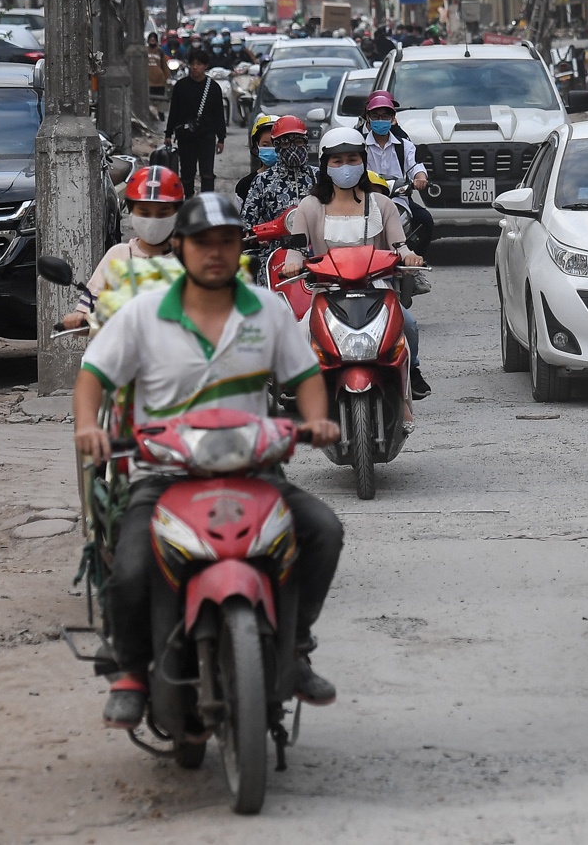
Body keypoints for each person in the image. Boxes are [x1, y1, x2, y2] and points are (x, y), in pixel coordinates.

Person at [74, 190, 344, 729]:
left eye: (226, 241)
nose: (215, 253)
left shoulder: (266, 310)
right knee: (129, 567)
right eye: (203, 242)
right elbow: (94, 377)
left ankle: (295, 644)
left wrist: (318, 420)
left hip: (255, 471)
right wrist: (88, 427)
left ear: (240, 246)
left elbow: (305, 378)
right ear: (181, 247)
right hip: (164, 475)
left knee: (323, 529)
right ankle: (129, 671)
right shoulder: (145, 314)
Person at [282, 128, 430, 414]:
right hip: (328, 291)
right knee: (300, 335)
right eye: (337, 161)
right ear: (325, 165)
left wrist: (409, 256)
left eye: (352, 159)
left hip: (376, 290)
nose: (345, 167)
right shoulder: (310, 207)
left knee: (408, 326)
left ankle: (408, 385)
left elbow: (400, 244)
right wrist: (293, 262)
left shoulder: (382, 204)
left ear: (363, 162)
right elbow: (296, 249)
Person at [60, 166, 185, 330]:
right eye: (144, 213)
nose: (153, 221)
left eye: (162, 214)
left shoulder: (187, 259)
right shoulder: (118, 255)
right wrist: (79, 320)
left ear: (177, 213)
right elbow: (88, 314)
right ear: (131, 211)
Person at [360, 90, 433, 255]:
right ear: (368, 118)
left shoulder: (404, 144)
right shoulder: (359, 144)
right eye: (376, 116)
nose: (381, 120)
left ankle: (415, 264)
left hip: (399, 199)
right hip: (367, 201)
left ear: (393, 118)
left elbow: (415, 165)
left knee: (425, 221)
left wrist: (420, 178)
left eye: (385, 116)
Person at [242, 115, 316, 270]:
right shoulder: (262, 181)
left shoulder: (318, 177)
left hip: (315, 254)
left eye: (298, 142)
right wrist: (258, 237)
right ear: (277, 146)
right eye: (285, 142)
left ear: (306, 143)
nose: (293, 148)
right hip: (274, 256)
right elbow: (246, 224)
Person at [164, 45, 226, 191]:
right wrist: (168, 133)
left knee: (207, 172)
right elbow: (174, 111)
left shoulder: (213, 88)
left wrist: (221, 138)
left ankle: (207, 201)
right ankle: (188, 199)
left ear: (205, 66)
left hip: (207, 135)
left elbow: (219, 114)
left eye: (199, 64)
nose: (195, 67)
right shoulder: (181, 86)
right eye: (193, 64)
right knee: (187, 171)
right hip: (186, 136)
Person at [234, 113, 280, 200]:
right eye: (265, 145)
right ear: (256, 146)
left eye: (276, 144)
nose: (271, 149)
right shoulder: (245, 185)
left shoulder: (297, 181)